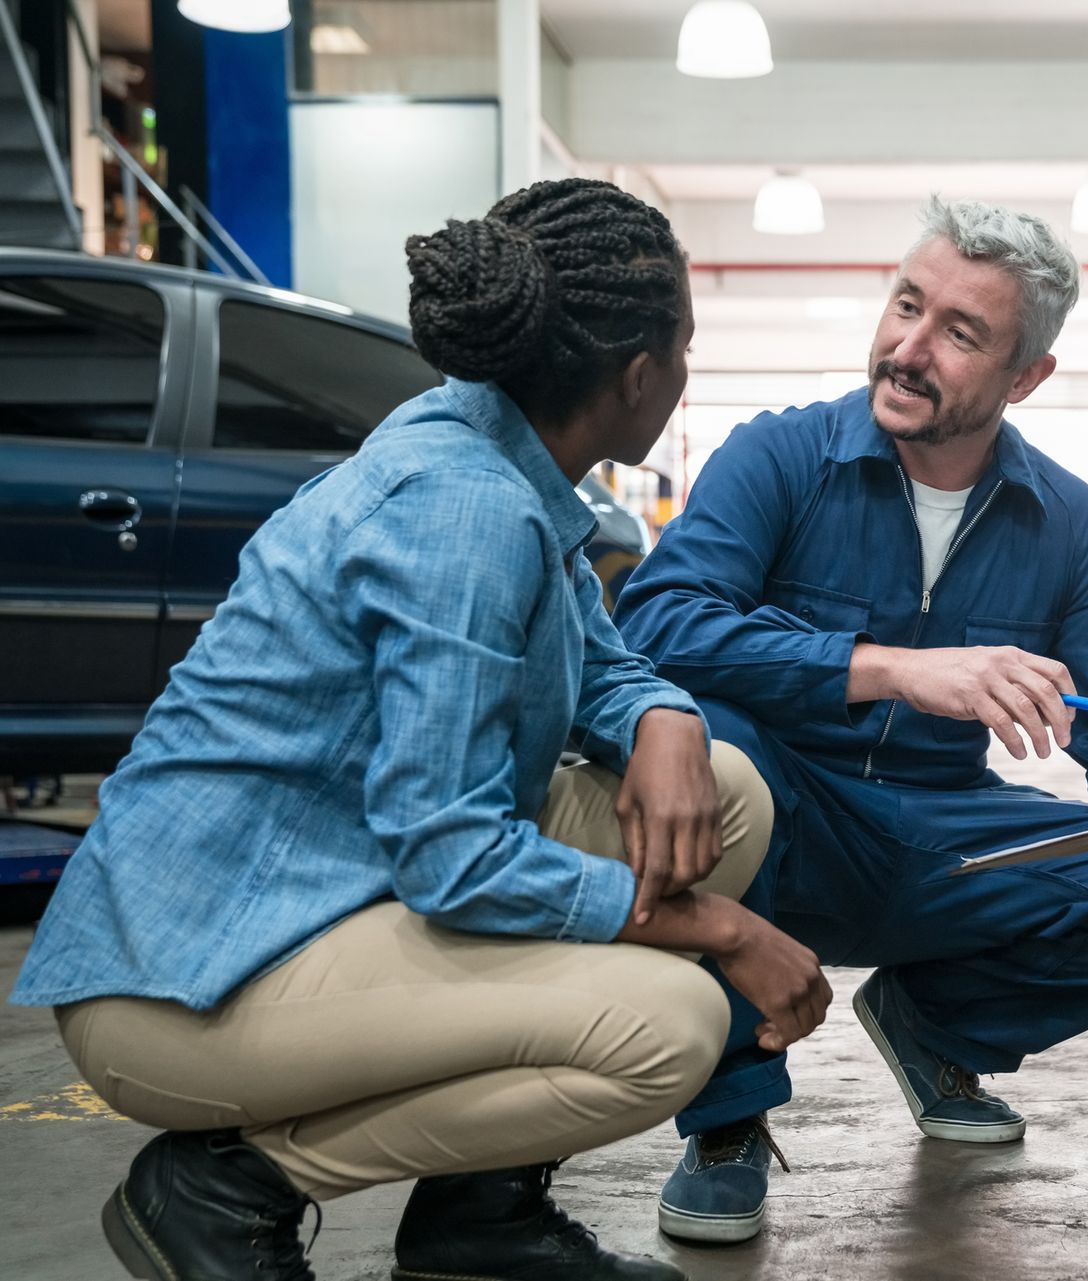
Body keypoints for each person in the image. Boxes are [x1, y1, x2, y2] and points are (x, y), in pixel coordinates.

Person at [7, 179, 830, 1281]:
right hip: (186, 980)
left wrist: (664, 715)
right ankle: (224, 1188)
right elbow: (451, 857)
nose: (684, 376)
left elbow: (596, 654)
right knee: (667, 1026)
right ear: (640, 377)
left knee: (724, 792)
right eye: (683, 349)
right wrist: (723, 932)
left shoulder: (496, 454)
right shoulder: (464, 510)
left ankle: (478, 1222)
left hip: (329, 884)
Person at [616, 196, 1088, 1244]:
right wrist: (896, 671)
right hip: (786, 819)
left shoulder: (1069, 524)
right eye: (906, 305)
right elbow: (658, 626)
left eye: (960, 334)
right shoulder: (778, 460)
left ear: (1025, 379)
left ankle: (933, 1021)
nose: (909, 349)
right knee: (716, 747)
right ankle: (730, 1122)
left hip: (940, 843)